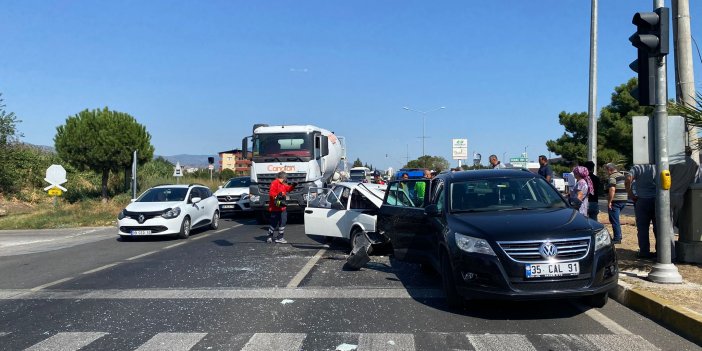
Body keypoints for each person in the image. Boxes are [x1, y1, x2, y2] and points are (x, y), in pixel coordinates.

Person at [627, 164, 657, 259]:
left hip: (642, 200)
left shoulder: (638, 167)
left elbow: (628, 180)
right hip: (657, 200)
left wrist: (631, 194)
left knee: (642, 228)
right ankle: (660, 252)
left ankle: (644, 252)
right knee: (659, 228)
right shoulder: (659, 165)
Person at [267, 171, 297, 244]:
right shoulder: (275, 183)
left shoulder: (283, 184)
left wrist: (293, 186)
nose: (286, 179)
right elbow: (271, 193)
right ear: (284, 177)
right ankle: (269, 236)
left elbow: (288, 189)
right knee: (274, 222)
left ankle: (280, 237)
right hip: (275, 207)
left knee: (283, 221)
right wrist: (278, 196)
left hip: (282, 207)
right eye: (286, 178)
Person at [604, 163, 627, 244]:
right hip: (624, 199)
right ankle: (618, 236)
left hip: (616, 201)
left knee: (614, 220)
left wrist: (610, 201)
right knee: (615, 218)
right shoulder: (622, 176)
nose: (606, 172)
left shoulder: (612, 177)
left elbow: (612, 189)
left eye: (606, 170)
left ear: (609, 169)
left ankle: (617, 238)